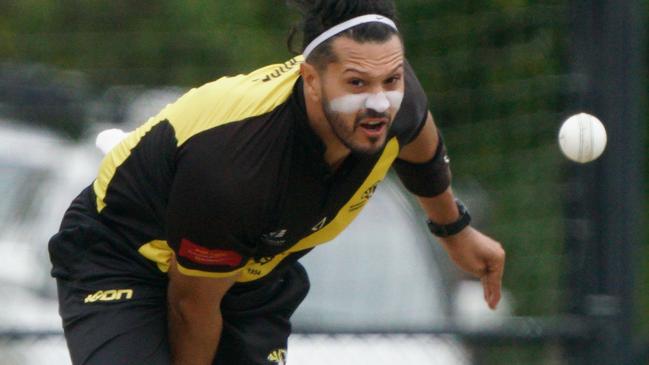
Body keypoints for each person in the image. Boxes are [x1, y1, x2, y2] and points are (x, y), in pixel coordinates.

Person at [48, 1, 505, 364]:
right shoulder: (236, 168)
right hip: (125, 257)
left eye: (392, 80)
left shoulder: (392, 100)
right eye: (356, 83)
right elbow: (192, 308)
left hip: (248, 274)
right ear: (310, 79)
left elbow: (421, 140)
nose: (379, 103)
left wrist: (454, 230)